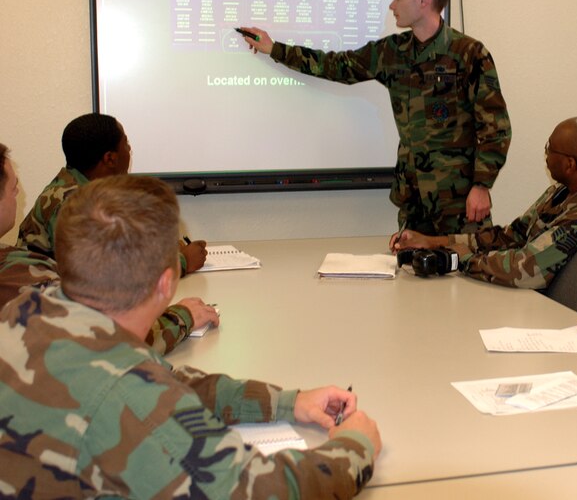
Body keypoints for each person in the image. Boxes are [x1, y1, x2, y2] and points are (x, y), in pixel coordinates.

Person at [0, 174, 381, 497]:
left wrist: (287, 403)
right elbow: (256, 489)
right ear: (167, 285)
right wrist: (356, 445)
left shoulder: (28, 312)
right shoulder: (131, 400)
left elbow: (163, 378)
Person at [241, 0, 512, 235]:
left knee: (467, 272)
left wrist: (481, 186)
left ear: (423, 0)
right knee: (412, 272)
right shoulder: (392, 52)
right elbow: (337, 65)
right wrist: (274, 48)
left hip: (459, 200)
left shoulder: (469, 53)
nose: (392, 5)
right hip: (413, 201)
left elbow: (495, 126)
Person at [0, 142, 219, 354]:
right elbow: (107, 342)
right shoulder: (16, 274)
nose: (17, 193)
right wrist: (182, 317)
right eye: (13, 187)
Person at [389, 117, 577, 289]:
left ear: (570, 165)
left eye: (550, 149)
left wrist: (464, 258)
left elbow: (523, 269)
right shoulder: (563, 193)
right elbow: (511, 237)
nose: (546, 155)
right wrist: (434, 242)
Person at [16, 112, 208, 274]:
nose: (130, 149)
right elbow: (105, 276)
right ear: (110, 158)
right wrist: (182, 263)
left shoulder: (91, 191)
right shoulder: (72, 203)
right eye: (126, 143)